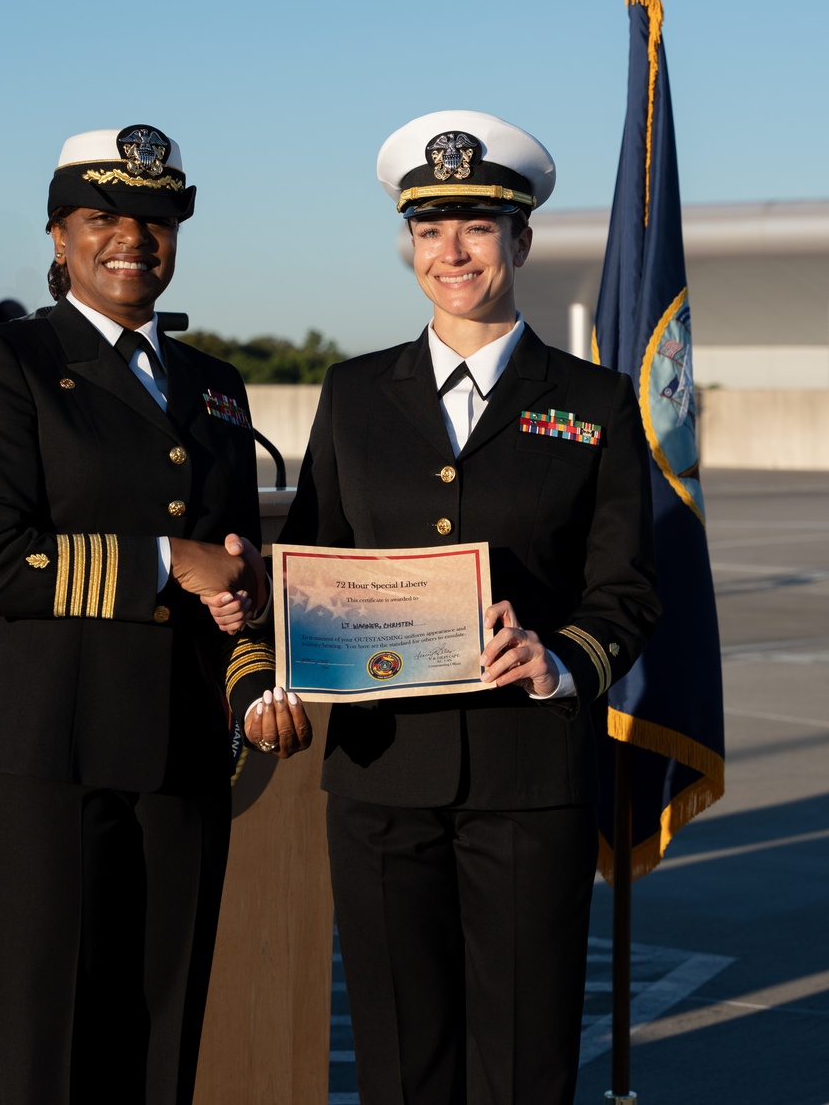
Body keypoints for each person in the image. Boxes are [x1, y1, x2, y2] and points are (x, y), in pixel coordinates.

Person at [256, 111, 660, 1105]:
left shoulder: (596, 400)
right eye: (431, 228)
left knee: (522, 1056)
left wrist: (560, 655)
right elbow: (316, 558)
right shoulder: (354, 394)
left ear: (519, 241)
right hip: (380, 777)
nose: (452, 251)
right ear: (409, 247)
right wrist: (280, 664)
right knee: (398, 1055)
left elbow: (629, 587)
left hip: (527, 782)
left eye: (478, 227)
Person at [0, 123, 310, 1105]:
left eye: (153, 220)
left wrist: (252, 653)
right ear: (58, 235)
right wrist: (163, 559)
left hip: (182, 746)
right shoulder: (4, 360)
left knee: (160, 1033)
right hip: (42, 752)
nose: (131, 238)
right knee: (49, 1041)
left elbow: (230, 570)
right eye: (102, 217)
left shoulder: (214, 387)